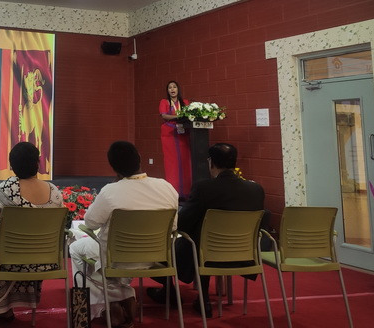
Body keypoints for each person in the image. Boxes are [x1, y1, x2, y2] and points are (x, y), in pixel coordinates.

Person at [69, 141, 179, 327]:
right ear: (140, 159)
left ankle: (115, 299)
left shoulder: (111, 191)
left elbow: (90, 223)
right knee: (105, 261)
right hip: (155, 258)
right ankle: (119, 297)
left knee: (75, 249)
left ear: (113, 167)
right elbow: (174, 226)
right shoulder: (166, 187)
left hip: (116, 257)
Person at [147, 142, 265, 316]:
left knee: (172, 247)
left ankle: (170, 290)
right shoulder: (256, 190)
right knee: (203, 238)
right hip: (243, 254)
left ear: (211, 162)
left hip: (206, 254)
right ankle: (202, 297)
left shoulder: (204, 188)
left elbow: (183, 223)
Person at [0, 141, 64, 321]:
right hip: (44, 262)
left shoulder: (3, 191)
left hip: (7, 262)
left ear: (11, 166)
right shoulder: (55, 192)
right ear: (38, 164)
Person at [159, 80, 192, 198]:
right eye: (170, 87)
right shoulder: (164, 102)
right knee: (172, 163)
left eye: (174, 87)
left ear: (178, 89)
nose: (172, 89)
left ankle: (187, 191)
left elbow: (189, 115)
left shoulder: (185, 102)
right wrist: (178, 116)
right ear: (167, 91)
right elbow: (164, 115)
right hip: (169, 133)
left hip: (182, 133)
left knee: (185, 160)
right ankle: (174, 192)